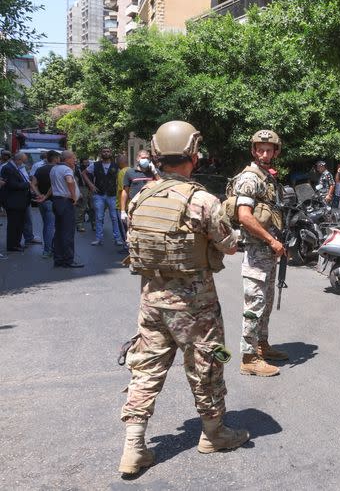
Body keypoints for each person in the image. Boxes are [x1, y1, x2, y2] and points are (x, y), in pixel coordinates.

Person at [119, 120, 247, 476]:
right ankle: (214, 433)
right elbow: (230, 245)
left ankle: (133, 447)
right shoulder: (203, 200)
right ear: (193, 154)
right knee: (207, 363)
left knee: (145, 368)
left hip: (151, 302)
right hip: (196, 307)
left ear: (156, 156)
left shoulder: (141, 196)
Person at [232, 129, 289, 378]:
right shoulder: (249, 178)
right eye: (260, 149)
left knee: (265, 303)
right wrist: (270, 240)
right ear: (254, 151)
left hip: (267, 251)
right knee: (254, 304)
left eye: (269, 149)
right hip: (257, 251)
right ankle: (248, 357)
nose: (265, 153)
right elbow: (244, 216)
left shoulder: (267, 178)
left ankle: (261, 345)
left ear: (276, 151)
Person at [82, 146, 123, 246]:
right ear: (101, 153)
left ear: (110, 153)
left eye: (108, 151)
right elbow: (84, 173)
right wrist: (91, 185)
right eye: (104, 151)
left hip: (112, 195)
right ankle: (98, 238)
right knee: (99, 217)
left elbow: (121, 177)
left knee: (114, 217)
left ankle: (117, 238)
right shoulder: (95, 165)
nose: (106, 153)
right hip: (99, 195)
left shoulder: (116, 166)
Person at [49, 151, 83, 268]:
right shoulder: (66, 170)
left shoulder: (54, 169)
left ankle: (58, 259)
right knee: (68, 232)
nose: (75, 160)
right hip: (65, 202)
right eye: (74, 158)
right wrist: (74, 197)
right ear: (68, 159)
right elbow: (69, 181)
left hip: (57, 201)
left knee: (59, 231)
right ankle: (68, 260)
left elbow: (53, 185)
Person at [31, 150, 61, 258]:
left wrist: (39, 195)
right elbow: (54, 185)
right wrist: (45, 197)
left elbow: (33, 184)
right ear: (56, 158)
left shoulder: (39, 169)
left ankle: (48, 249)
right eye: (59, 158)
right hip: (51, 201)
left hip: (42, 202)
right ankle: (48, 250)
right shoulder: (57, 170)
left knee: (47, 225)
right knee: (50, 226)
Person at [120, 149, 159, 224]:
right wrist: (122, 211)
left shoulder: (155, 172)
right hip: (135, 207)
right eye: (143, 158)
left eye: (147, 158)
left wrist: (155, 172)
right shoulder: (130, 172)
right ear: (138, 159)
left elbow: (162, 183)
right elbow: (125, 191)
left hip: (152, 207)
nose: (145, 160)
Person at [1, 152, 30, 252]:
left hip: (19, 202)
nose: (24, 163)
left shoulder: (15, 168)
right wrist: (28, 184)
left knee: (19, 224)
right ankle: (12, 245)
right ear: (18, 160)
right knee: (14, 225)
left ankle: (16, 243)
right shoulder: (8, 168)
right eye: (23, 161)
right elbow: (12, 185)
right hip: (13, 202)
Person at [116, 155, 130, 253]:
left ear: (121, 162)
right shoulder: (131, 171)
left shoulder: (122, 172)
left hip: (122, 205)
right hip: (131, 204)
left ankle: (127, 247)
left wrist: (122, 209)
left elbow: (122, 191)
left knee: (123, 227)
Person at [75, 158, 92, 232]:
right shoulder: (77, 169)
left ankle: (93, 223)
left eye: (87, 162)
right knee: (82, 207)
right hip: (82, 188)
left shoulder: (91, 168)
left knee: (93, 207)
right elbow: (76, 181)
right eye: (84, 162)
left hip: (91, 188)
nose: (86, 164)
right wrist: (78, 192)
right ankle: (79, 224)